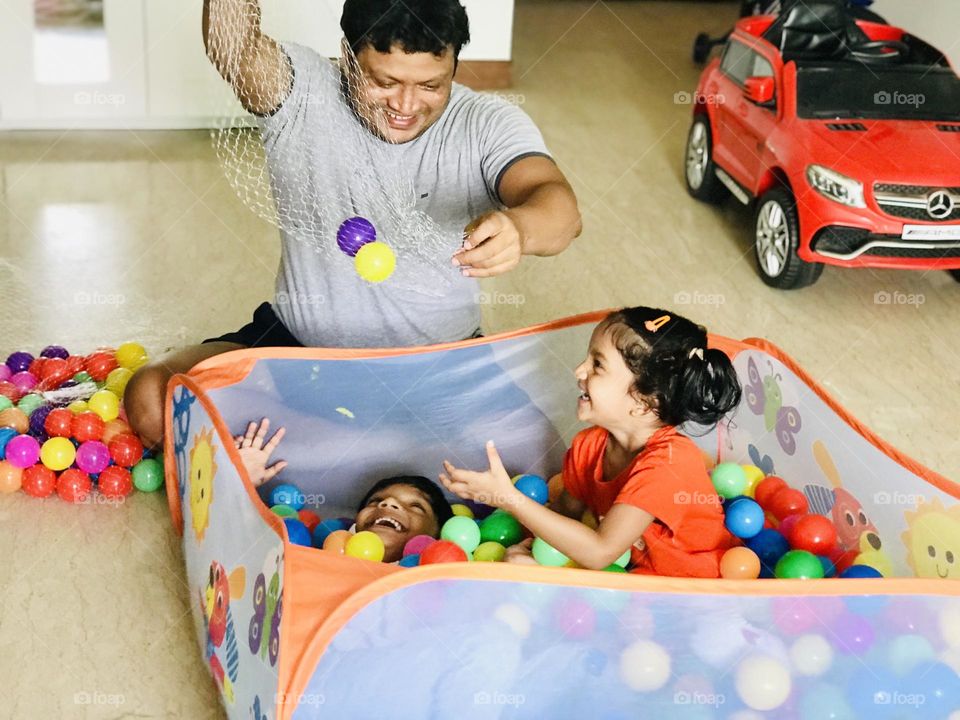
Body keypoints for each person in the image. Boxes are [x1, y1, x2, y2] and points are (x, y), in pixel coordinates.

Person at [125, 0, 582, 448]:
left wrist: (519, 230)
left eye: (430, 85)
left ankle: (325, 449)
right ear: (347, 56)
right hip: (295, 352)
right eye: (385, 82)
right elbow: (233, 45)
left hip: (439, 365)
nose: (405, 104)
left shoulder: (486, 122)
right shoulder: (301, 90)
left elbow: (560, 210)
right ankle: (367, 448)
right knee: (151, 399)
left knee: (541, 449)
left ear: (454, 66)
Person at [440, 307, 743, 578]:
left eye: (597, 365)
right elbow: (564, 514)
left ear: (644, 402)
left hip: (694, 590)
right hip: (629, 575)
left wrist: (509, 498)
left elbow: (600, 552)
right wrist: (528, 546)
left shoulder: (669, 464)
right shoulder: (589, 446)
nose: (579, 371)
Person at [235, 418, 453, 563]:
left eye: (416, 506)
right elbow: (242, 544)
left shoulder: (442, 573)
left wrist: (489, 496)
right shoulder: (318, 551)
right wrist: (241, 482)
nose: (388, 504)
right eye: (375, 501)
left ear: (439, 533)